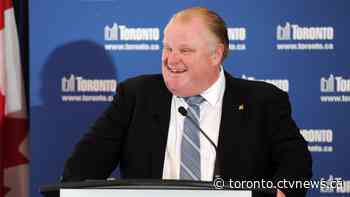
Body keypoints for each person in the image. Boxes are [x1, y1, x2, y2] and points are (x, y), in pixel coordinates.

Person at [62, 7, 312, 197]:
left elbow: (296, 167)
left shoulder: (262, 101)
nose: (171, 59)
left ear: (216, 55)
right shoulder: (136, 96)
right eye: (167, 48)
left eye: (185, 50)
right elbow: (81, 168)